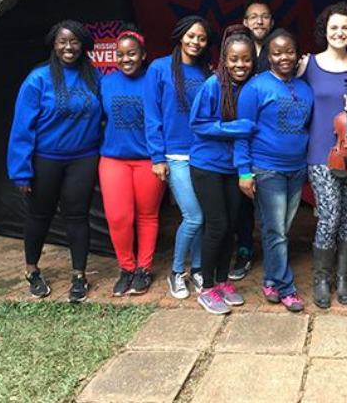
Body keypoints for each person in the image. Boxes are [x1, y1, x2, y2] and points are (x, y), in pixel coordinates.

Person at [7, 20, 102, 302]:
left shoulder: (93, 78)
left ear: (83, 45)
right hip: (46, 160)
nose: (68, 47)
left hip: (83, 159)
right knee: (39, 215)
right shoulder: (38, 79)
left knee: (77, 216)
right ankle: (32, 270)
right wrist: (21, 172)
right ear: (54, 45)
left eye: (74, 41)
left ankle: (79, 275)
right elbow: (22, 128)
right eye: (62, 42)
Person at [298, 1, 347, 309]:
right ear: (324, 31)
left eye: (344, 27)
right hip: (319, 152)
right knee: (328, 216)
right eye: (333, 28)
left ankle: (343, 276)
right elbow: (297, 103)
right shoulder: (308, 64)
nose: (339, 32)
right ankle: (321, 278)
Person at [235, 29, 314, 312]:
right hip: (267, 169)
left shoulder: (305, 89)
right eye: (277, 52)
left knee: (278, 229)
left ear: (297, 55)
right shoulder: (255, 88)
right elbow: (242, 133)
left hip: (296, 169)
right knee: (277, 231)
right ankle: (285, 287)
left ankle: (270, 279)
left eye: (289, 52)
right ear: (268, 56)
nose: (284, 57)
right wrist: (244, 171)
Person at [189, 25, 256, 315]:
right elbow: (198, 124)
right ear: (224, 60)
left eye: (246, 60)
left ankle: (222, 281)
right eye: (234, 60)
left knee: (230, 226)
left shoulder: (251, 87)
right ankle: (205, 288)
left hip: (233, 168)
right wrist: (234, 128)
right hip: (207, 166)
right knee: (215, 225)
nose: (240, 65)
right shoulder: (212, 85)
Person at [145, 16, 213, 300]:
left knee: (203, 216)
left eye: (201, 38)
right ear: (180, 36)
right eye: (191, 36)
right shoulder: (159, 68)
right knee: (194, 216)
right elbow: (152, 115)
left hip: (203, 154)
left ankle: (197, 268)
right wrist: (157, 157)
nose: (195, 42)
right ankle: (176, 272)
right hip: (175, 155)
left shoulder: (206, 72)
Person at [99, 29, 164, 296]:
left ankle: (143, 269)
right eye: (121, 54)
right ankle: (126, 268)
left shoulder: (154, 80)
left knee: (147, 215)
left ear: (143, 55)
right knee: (118, 217)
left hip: (148, 160)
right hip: (114, 158)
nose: (126, 59)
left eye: (132, 54)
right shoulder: (105, 82)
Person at [229, 0, 276, 280]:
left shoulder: (279, 50)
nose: (259, 21)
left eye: (265, 16)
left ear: (271, 21)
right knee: (242, 201)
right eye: (253, 17)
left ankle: (275, 256)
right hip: (242, 137)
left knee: (272, 203)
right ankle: (244, 250)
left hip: (270, 139)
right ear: (245, 22)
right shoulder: (237, 53)